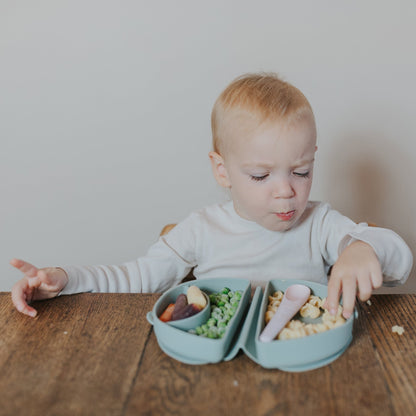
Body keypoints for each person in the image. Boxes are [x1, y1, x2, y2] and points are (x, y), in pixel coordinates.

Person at [10, 73, 413, 320]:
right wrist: (65, 279)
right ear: (222, 171)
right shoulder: (200, 231)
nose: (287, 189)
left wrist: (363, 248)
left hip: (303, 363)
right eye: (260, 175)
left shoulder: (321, 224)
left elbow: (400, 263)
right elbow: (133, 278)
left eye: (302, 171)